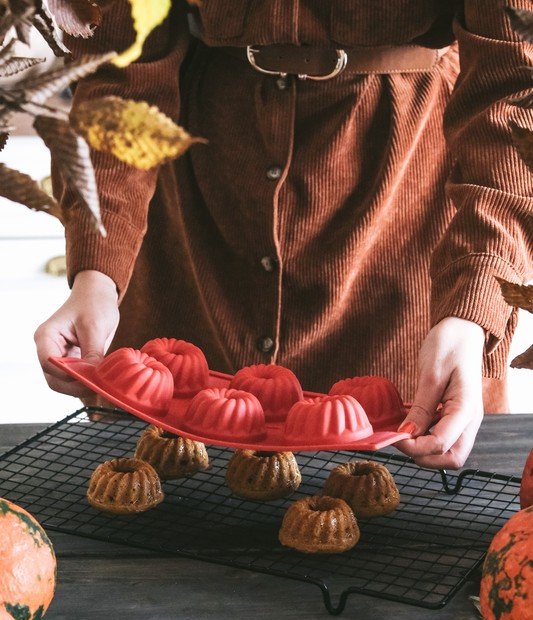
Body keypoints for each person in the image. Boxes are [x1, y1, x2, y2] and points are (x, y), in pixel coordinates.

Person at [34, 1, 533, 469]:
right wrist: (98, 271)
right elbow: (119, 63)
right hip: (194, 207)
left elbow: (515, 93)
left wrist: (473, 309)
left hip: (406, 197)